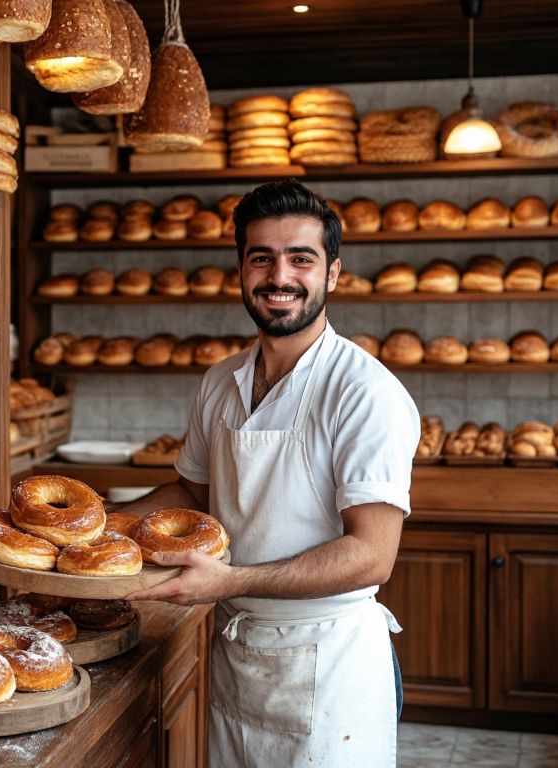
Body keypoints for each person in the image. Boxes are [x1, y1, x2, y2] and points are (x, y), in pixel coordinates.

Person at [122, 179, 418, 766]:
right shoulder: (220, 381)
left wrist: (227, 582)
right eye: (262, 258)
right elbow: (192, 492)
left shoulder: (364, 391)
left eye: (300, 259)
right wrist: (101, 522)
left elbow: (371, 554)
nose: (279, 276)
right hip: (240, 653)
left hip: (331, 664)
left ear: (332, 274)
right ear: (241, 269)